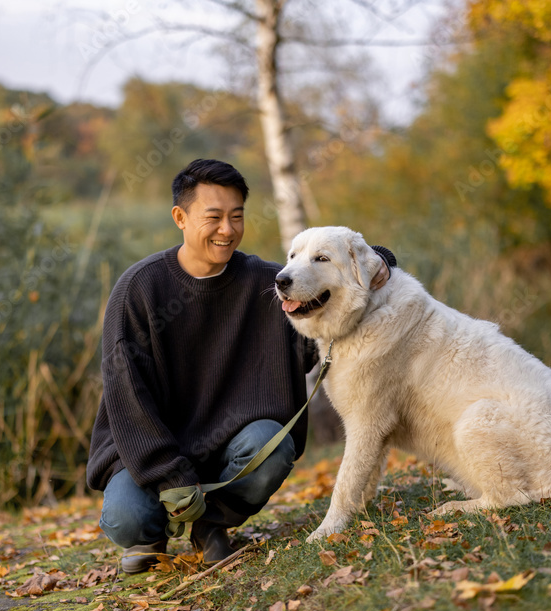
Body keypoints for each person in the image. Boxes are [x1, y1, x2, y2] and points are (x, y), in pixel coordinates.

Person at [87, 158, 396, 573]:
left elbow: (322, 321)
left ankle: (211, 527)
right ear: (180, 217)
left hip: (232, 449)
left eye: (237, 216)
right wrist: (173, 477)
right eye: (213, 217)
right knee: (128, 518)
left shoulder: (271, 284)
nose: (227, 230)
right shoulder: (139, 290)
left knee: (273, 444)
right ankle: (151, 534)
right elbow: (128, 398)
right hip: (150, 452)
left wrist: (378, 259)